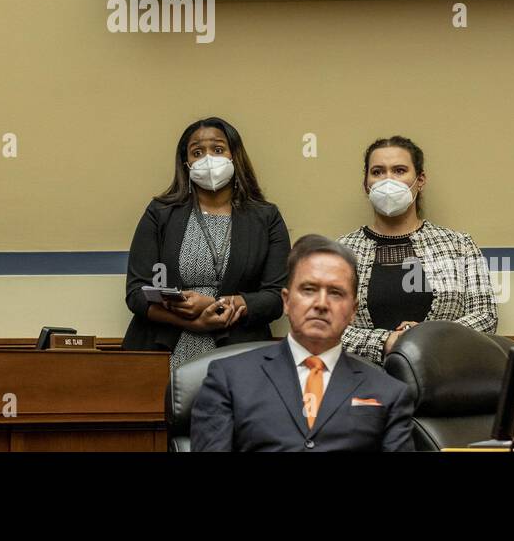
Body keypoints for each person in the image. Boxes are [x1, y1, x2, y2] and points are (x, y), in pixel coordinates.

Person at [191, 234, 414, 451]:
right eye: (309, 290)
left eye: (336, 293)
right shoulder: (228, 379)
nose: (321, 304)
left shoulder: (389, 392)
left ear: (353, 311)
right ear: (286, 302)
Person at [123, 117, 289, 370]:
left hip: (241, 354)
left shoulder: (266, 217)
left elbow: (277, 297)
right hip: (162, 350)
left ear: (235, 156)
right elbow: (136, 293)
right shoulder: (160, 212)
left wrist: (218, 306)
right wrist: (191, 323)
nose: (208, 158)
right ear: (186, 163)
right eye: (197, 152)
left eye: (218, 149)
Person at [338, 135, 497, 363]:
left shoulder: (459, 244)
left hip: (444, 378)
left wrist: (427, 335)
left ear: (420, 180)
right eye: (378, 172)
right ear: (366, 184)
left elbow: (486, 317)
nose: (388, 180)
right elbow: (330, 328)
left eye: (400, 170)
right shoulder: (342, 251)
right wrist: (386, 342)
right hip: (364, 380)